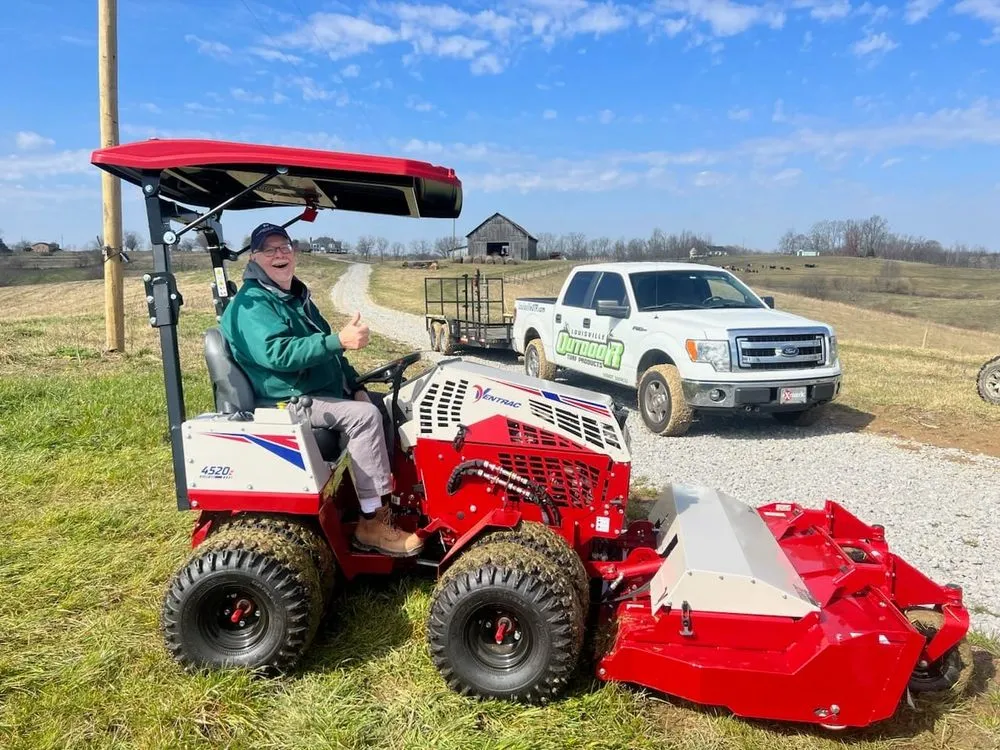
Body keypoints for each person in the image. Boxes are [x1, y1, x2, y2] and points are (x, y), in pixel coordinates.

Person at [220, 221, 423, 557]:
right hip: (286, 399)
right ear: (254, 257)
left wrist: (354, 384)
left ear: (294, 252)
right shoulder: (252, 304)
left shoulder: (293, 297)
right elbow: (278, 353)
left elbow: (331, 354)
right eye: (269, 250)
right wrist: (338, 340)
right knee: (364, 417)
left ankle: (394, 497)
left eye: (284, 247)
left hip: (315, 391)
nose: (279, 254)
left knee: (391, 405)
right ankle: (372, 522)